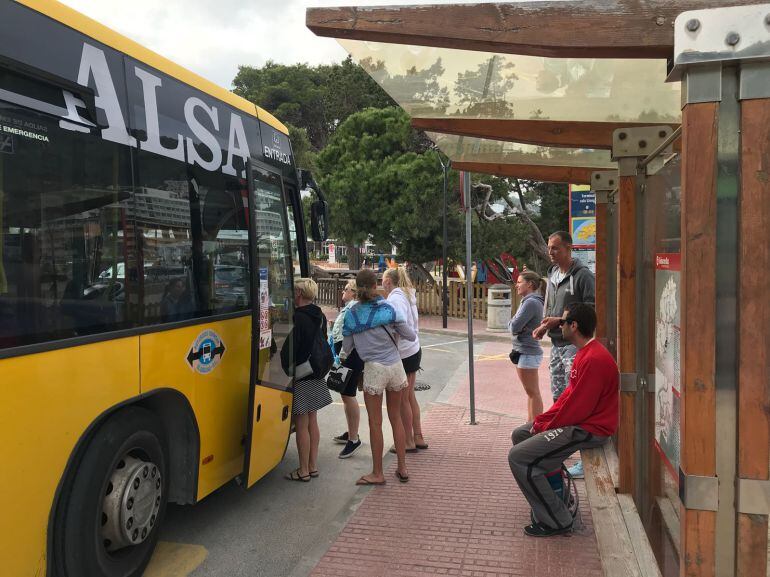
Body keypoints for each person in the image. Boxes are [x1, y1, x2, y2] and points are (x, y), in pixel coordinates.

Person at [509, 304, 618, 537]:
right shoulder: (585, 353)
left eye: (563, 322)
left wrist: (545, 426)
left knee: (518, 458)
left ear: (574, 326)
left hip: (590, 429)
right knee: (520, 434)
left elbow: (578, 409)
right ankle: (558, 497)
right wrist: (542, 421)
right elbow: (568, 399)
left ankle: (557, 520)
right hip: (580, 422)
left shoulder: (593, 359)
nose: (560, 325)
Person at [342, 269, 416, 485]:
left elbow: (347, 348)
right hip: (396, 366)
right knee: (396, 418)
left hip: (373, 369)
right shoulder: (388, 308)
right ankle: (402, 467)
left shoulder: (352, 314)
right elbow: (410, 335)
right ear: (376, 286)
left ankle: (377, 473)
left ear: (357, 287)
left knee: (375, 422)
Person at [532, 231, 595, 478]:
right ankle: (562, 449)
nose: (550, 252)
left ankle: (583, 458)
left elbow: (591, 309)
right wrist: (545, 324)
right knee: (560, 398)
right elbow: (551, 306)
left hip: (575, 345)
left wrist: (562, 319)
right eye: (549, 248)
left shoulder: (583, 276)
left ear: (569, 248)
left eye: (555, 248)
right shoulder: (551, 274)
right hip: (557, 344)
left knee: (577, 401)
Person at [281, 278, 332, 482]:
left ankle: (303, 470)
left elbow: (290, 351)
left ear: (300, 294)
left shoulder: (298, 318)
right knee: (312, 419)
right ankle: (312, 465)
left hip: (302, 374)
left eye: (294, 292)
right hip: (317, 371)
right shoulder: (319, 315)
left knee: (301, 423)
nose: (292, 295)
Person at [383, 267, 427, 453]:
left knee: (402, 400)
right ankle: (417, 436)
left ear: (388, 281)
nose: (381, 283)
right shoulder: (406, 295)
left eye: (382, 280)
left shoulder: (395, 299)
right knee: (409, 396)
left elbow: (399, 323)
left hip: (404, 352)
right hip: (412, 350)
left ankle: (408, 441)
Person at [330, 280, 363, 458]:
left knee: (348, 395)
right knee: (345, 394)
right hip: (346, 354)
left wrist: (341, 356)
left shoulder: (353, 308)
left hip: (350, 355)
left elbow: (350, 334)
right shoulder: (350, 307)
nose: (343, 291)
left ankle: (354, 438)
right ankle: (352, 432)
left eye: (346, 289)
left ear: (354, 293)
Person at [508, 270, 546, 422]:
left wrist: (513, 324)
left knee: (533, 392)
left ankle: (534, 426)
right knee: (530, 392)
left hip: (528, 352)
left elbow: (514, 326)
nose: (516, 285)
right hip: (523, 352)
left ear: (529, 284)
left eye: (519, 282)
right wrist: (514, 324)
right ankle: (530, 425)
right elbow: (515, 326)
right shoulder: (528, 300)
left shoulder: (531, 302)